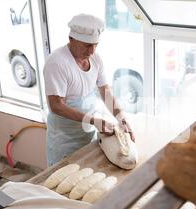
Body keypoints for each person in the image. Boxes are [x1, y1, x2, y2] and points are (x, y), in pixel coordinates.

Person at [43, 13, 135, 167]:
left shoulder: (96, 59)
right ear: (71, 39)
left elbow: (106, 93)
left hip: (87, 132)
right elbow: (56, 106)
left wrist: (122, 118)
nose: (92, 51)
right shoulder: (57, 63)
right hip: (64, 139)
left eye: (96, 45)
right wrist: (92, 120)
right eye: (87, 45)